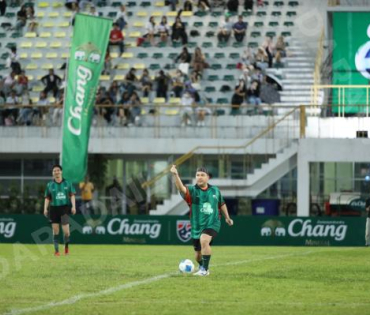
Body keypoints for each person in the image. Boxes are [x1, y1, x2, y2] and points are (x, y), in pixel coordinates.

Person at [170, 165, 233, 276]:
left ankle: (204, 270)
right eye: (197, 175)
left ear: (208, 177)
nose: (199, 177)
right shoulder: (192, 191)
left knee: (204, 240)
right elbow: (181, 188)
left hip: (213, 223)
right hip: (197, 226)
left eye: (202, 175)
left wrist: (227, 217)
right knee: (197, 255)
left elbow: (221, 203)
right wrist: (176, 174)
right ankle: (202, 265)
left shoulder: (215, 190)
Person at [44, 164, 76, 256]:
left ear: (61, 172)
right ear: (52, 173)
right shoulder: (50, 184)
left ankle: (66, 249)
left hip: (64, 208)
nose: (56, 172)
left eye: (58, 170)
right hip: (53, 209)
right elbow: (47, 198)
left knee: (66, 231)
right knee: (55, 230)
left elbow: (72, 195)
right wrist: (45, 208)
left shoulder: (68, 183)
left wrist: (73, 206)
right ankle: (56, 251)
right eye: (54, 171)